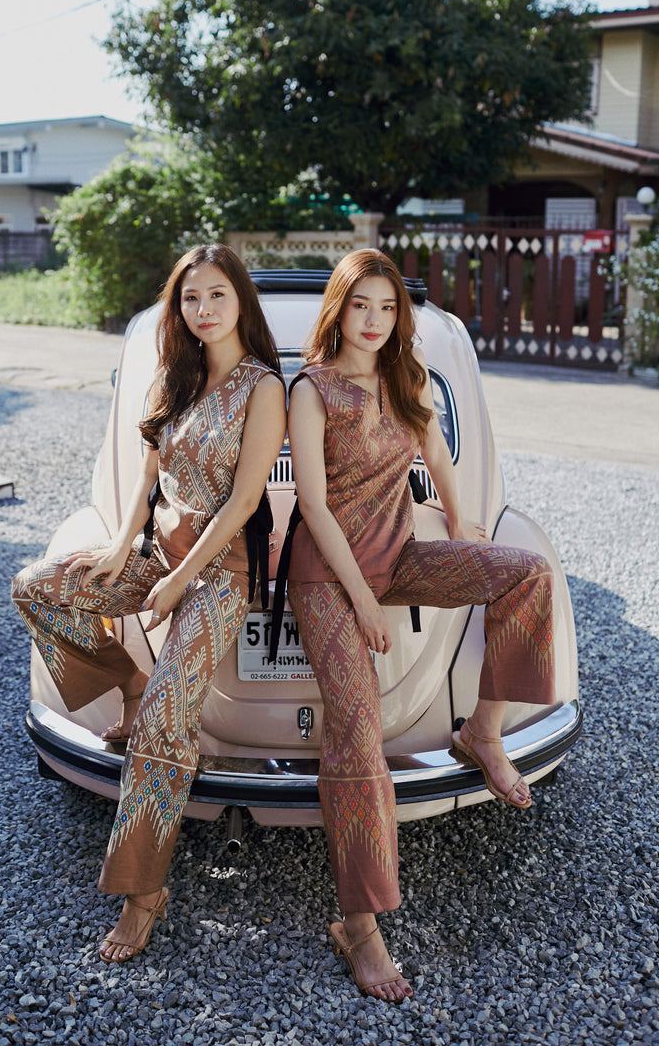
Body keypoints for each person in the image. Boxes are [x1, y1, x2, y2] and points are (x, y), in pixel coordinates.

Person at [285, 249, 555, 1003]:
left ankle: (483, 732)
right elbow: (312, 505)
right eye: (360, 306)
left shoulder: (406, 377)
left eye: (386, 308)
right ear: (338, 309)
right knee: (357, 729)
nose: (373, 321)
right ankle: (359, 926)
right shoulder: (311, 389)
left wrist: (461, 521)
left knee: (528, 572)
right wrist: (364, 601)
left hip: (398, 554)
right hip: (327, 574)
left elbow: (434, 446)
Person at [12, 244, 286, 963]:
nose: (204, 309)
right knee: (38, 586)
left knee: (168, 718)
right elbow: (148, 480)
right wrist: (118, 549)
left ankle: (142, 894)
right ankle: (126, 680)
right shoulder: (176, 376)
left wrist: (179, 580)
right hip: (160, 556)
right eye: (191, 297)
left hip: (221, 574)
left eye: (217, 294)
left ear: (240, 301)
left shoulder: (264, 387)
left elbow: (245, 501)